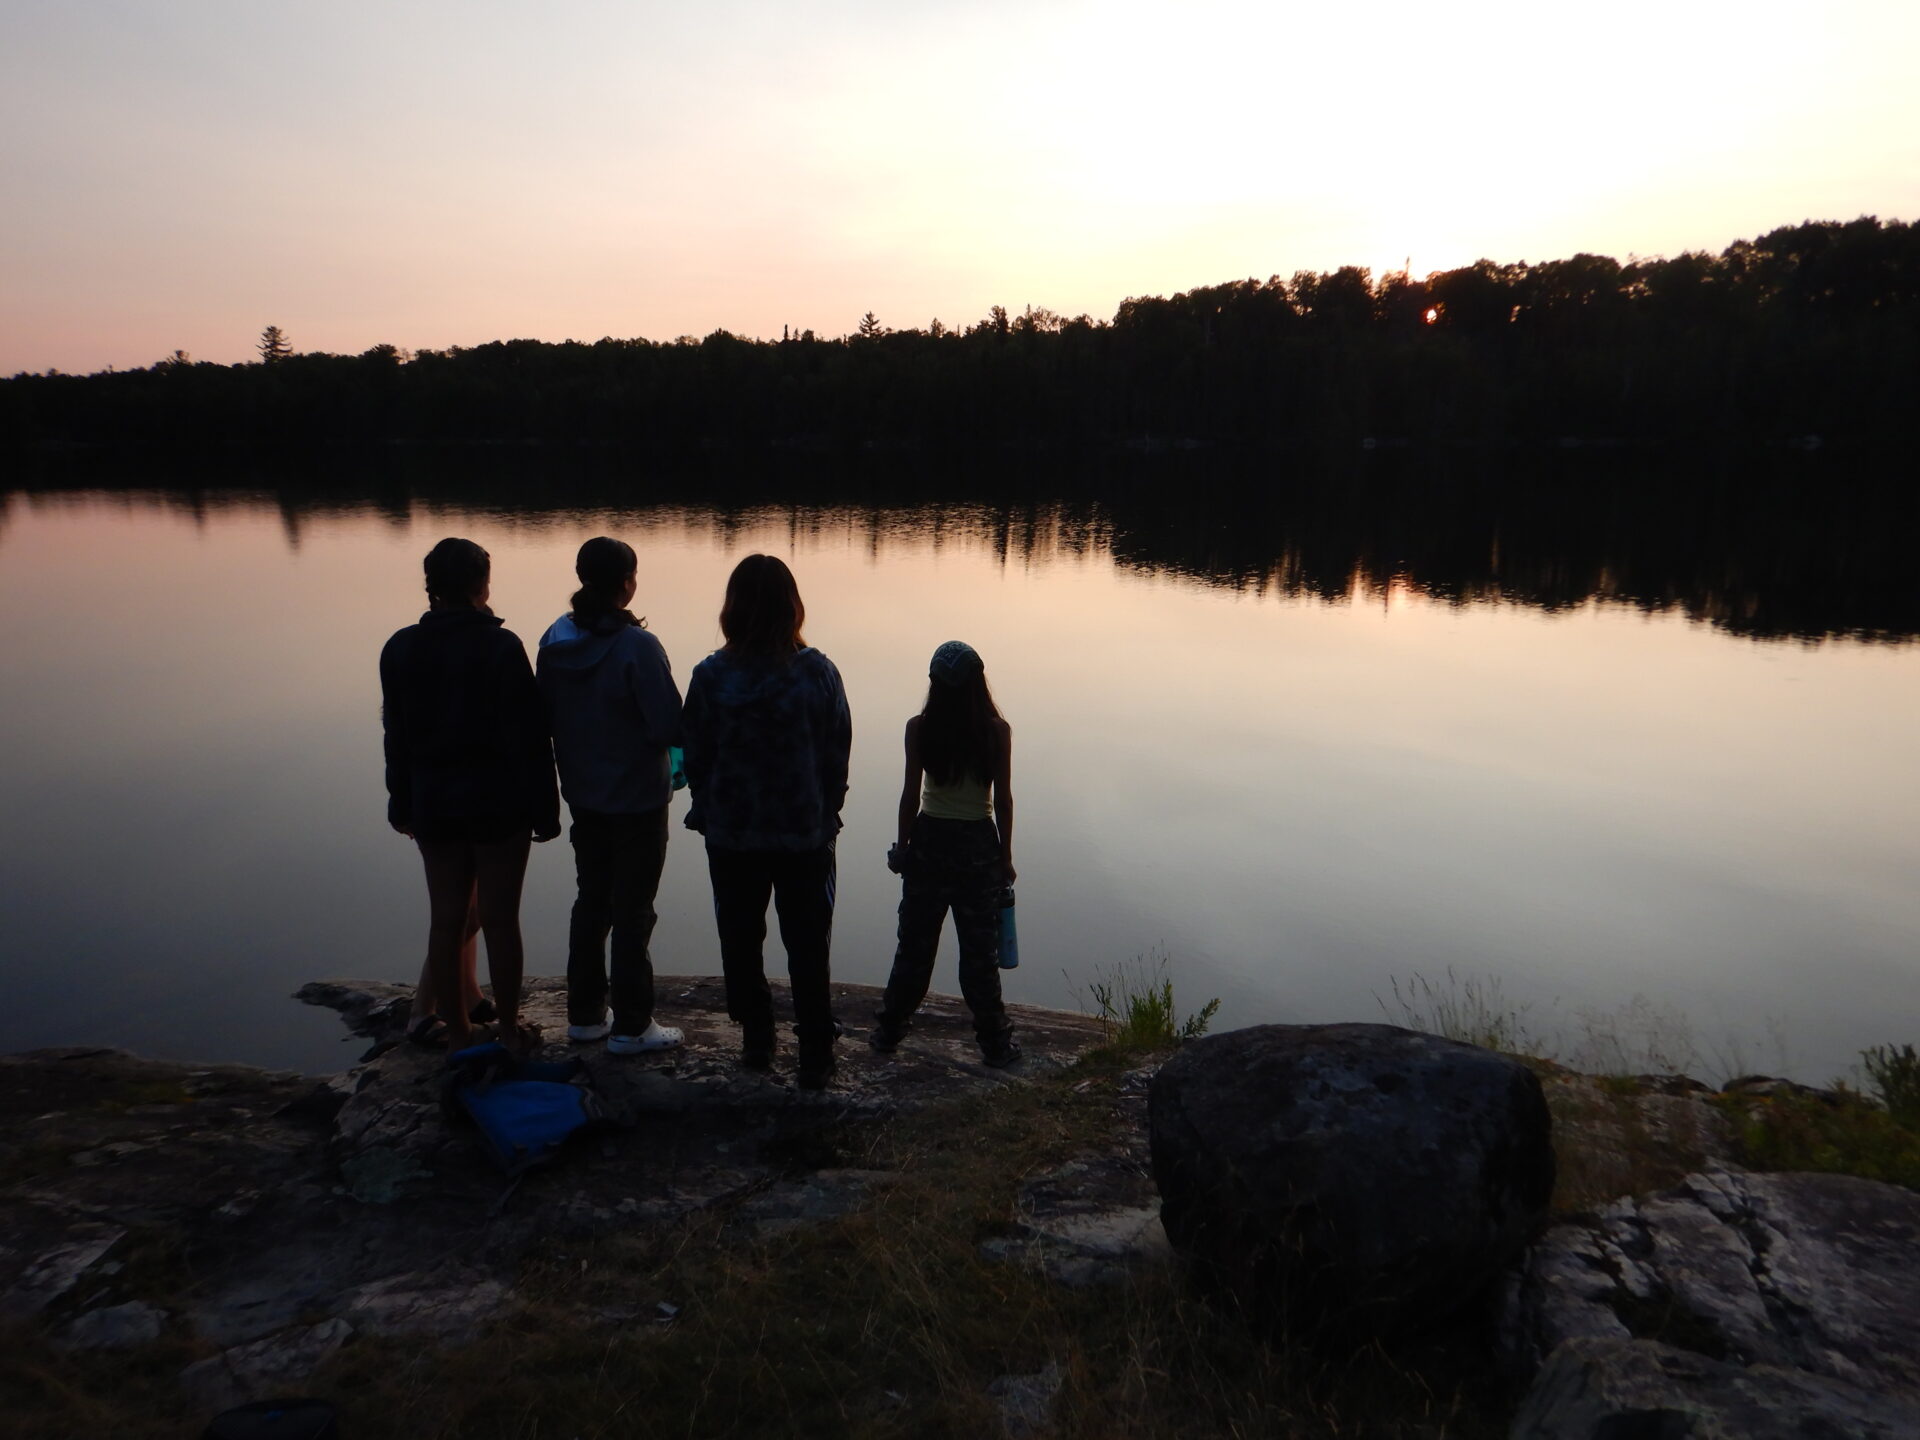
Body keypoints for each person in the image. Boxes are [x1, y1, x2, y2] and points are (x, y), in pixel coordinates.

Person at [380, 537, 559, 1054]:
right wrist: (545, 811)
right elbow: (529, 738)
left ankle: (457, 1034)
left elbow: (396, 734)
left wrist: (401, 802)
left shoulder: (400, 646)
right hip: (498, 803)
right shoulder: (501, 647)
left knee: (448, 917)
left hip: (433, 802)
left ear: (431, 587)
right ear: (482, 585)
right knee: (501, 920)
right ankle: (505, 1032)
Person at [681, 554, 851, 1088]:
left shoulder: (711, 676)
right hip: (804, 834)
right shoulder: (818, 672)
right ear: (791, 606)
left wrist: (708, 807)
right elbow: (837, 751)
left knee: (739, 936)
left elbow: (695, 753)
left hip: (732, 835)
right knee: (807, 941)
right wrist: (829, 809)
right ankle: (816, 1054)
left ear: (732, 609)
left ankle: (758, 1039)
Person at [537, 536, 686, 1055]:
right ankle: (631, 1026)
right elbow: (668, 723)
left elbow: (544, 718)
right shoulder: (638, 646)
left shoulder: (554, 641)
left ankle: (583, 1017)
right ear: (628, 583)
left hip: (583, 795)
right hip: (640, 802)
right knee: (633, 911)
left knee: (591, 902)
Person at [871, 640, 1020, 1066]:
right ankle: (996, 1045)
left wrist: (902, 849)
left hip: (930, 845)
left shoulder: (919, 728)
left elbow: (909, 798)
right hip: (978, 848)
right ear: (978, 684)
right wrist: (1005, 859)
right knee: (979, 958)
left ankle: (888, 1034)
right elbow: (1004, 802)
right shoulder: (996, 732)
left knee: (914, 950)